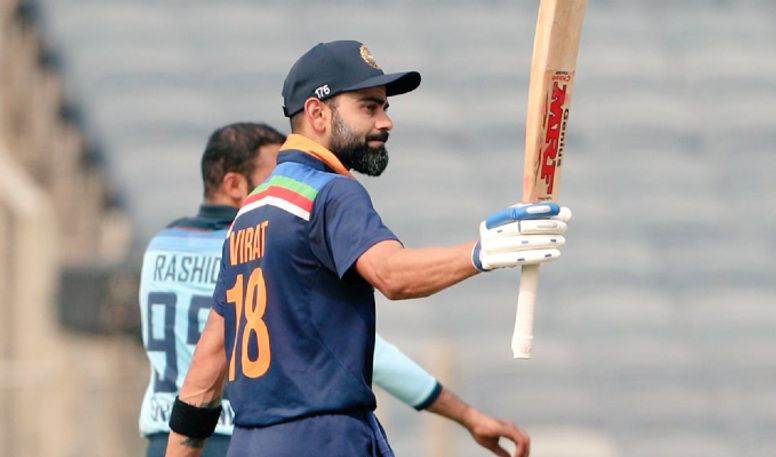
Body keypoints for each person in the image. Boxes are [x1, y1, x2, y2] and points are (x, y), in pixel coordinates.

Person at [165, 40, 569, 457]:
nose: (386, 121)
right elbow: (391, 275)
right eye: (369, 107)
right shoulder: (330, 192)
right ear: (318, 113)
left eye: (385, 107)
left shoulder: (247, 215)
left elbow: (206, 370)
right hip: (324, 440)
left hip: (251, 443)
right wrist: (486, 251)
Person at [140, 122, 531, 457]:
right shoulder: (269, 243)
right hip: (236, 428)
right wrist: (467, 416)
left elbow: (200, 358)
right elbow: (366, 355)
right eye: (272, 174)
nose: (283, 183)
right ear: (234, 184)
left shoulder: (161, 244)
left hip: (171, 431)